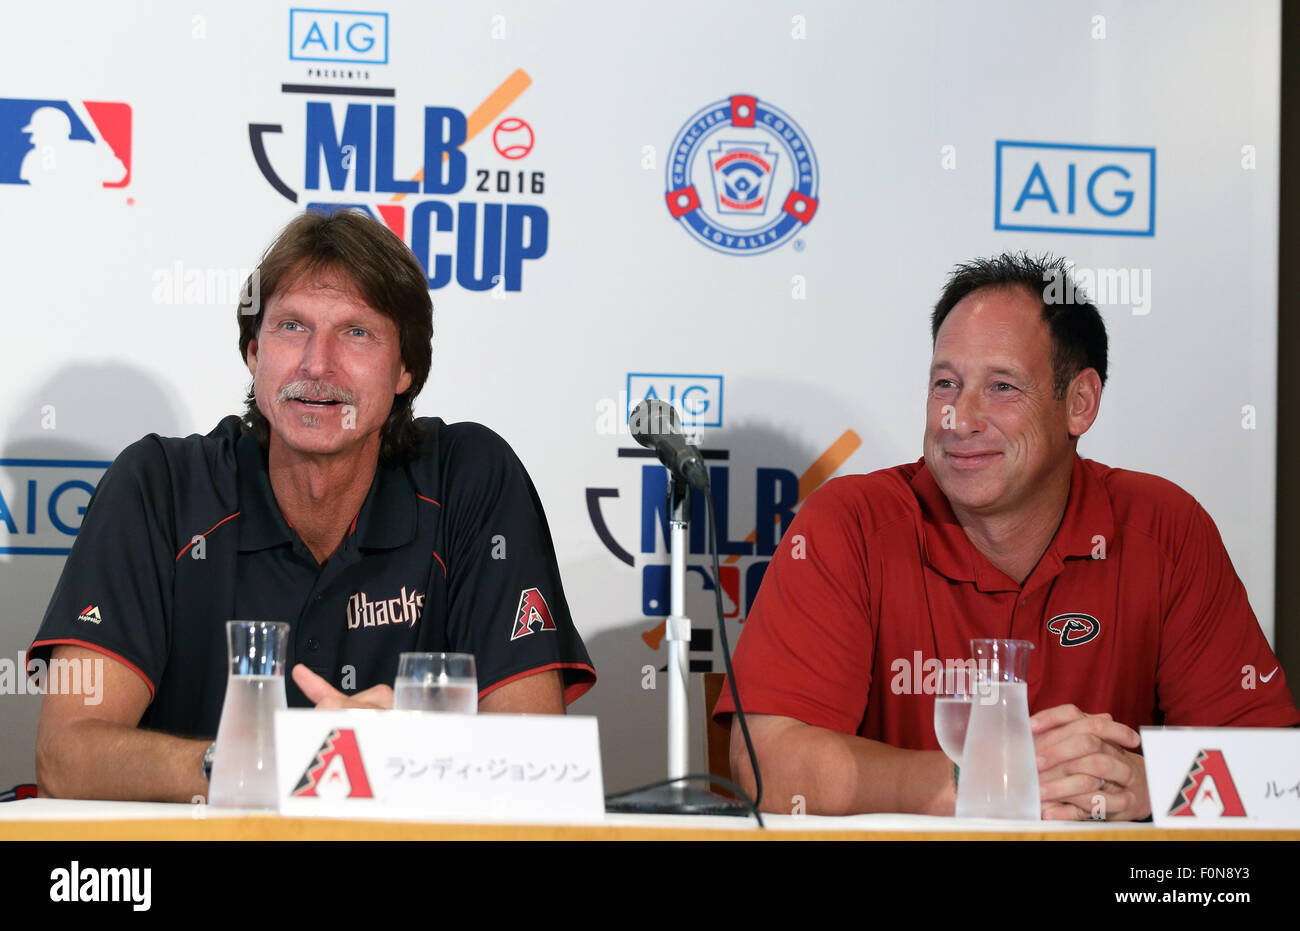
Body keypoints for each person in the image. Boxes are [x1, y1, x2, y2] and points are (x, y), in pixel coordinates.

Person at [30, 209, 595, 802]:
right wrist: (264, 765)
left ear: (405, 367)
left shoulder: (470, 477)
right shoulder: (159, 486)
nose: (317, 364)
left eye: (356, 332)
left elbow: (537, 757)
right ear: (254, 353)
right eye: (292, 327)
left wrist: (405, 758)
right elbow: (65, 757)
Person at [713, 253, 1300, 820]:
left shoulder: (1163, 528)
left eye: (1001, 387)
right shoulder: (848, 524)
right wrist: (988, 782)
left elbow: (1278, 769)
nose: (958, 419)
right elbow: (765, 763)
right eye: (945, 383)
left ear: (1080, 402)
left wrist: (1152, 786)